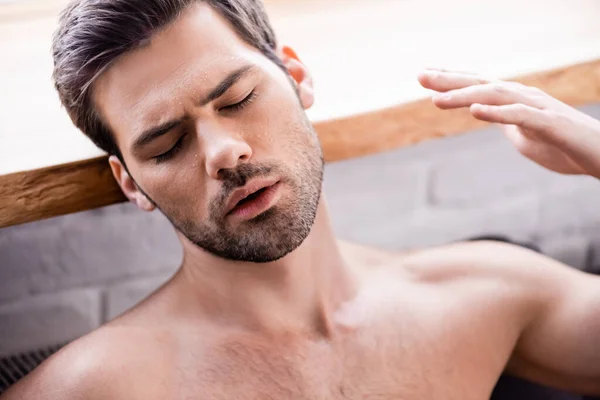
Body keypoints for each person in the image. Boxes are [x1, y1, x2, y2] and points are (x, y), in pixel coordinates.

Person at [3, 0, 600, 398]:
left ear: (295, 75)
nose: (223, 153)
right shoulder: (98, 389)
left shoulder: (480, 297)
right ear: (131, 181)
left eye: (236, 100)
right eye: (165, 145)